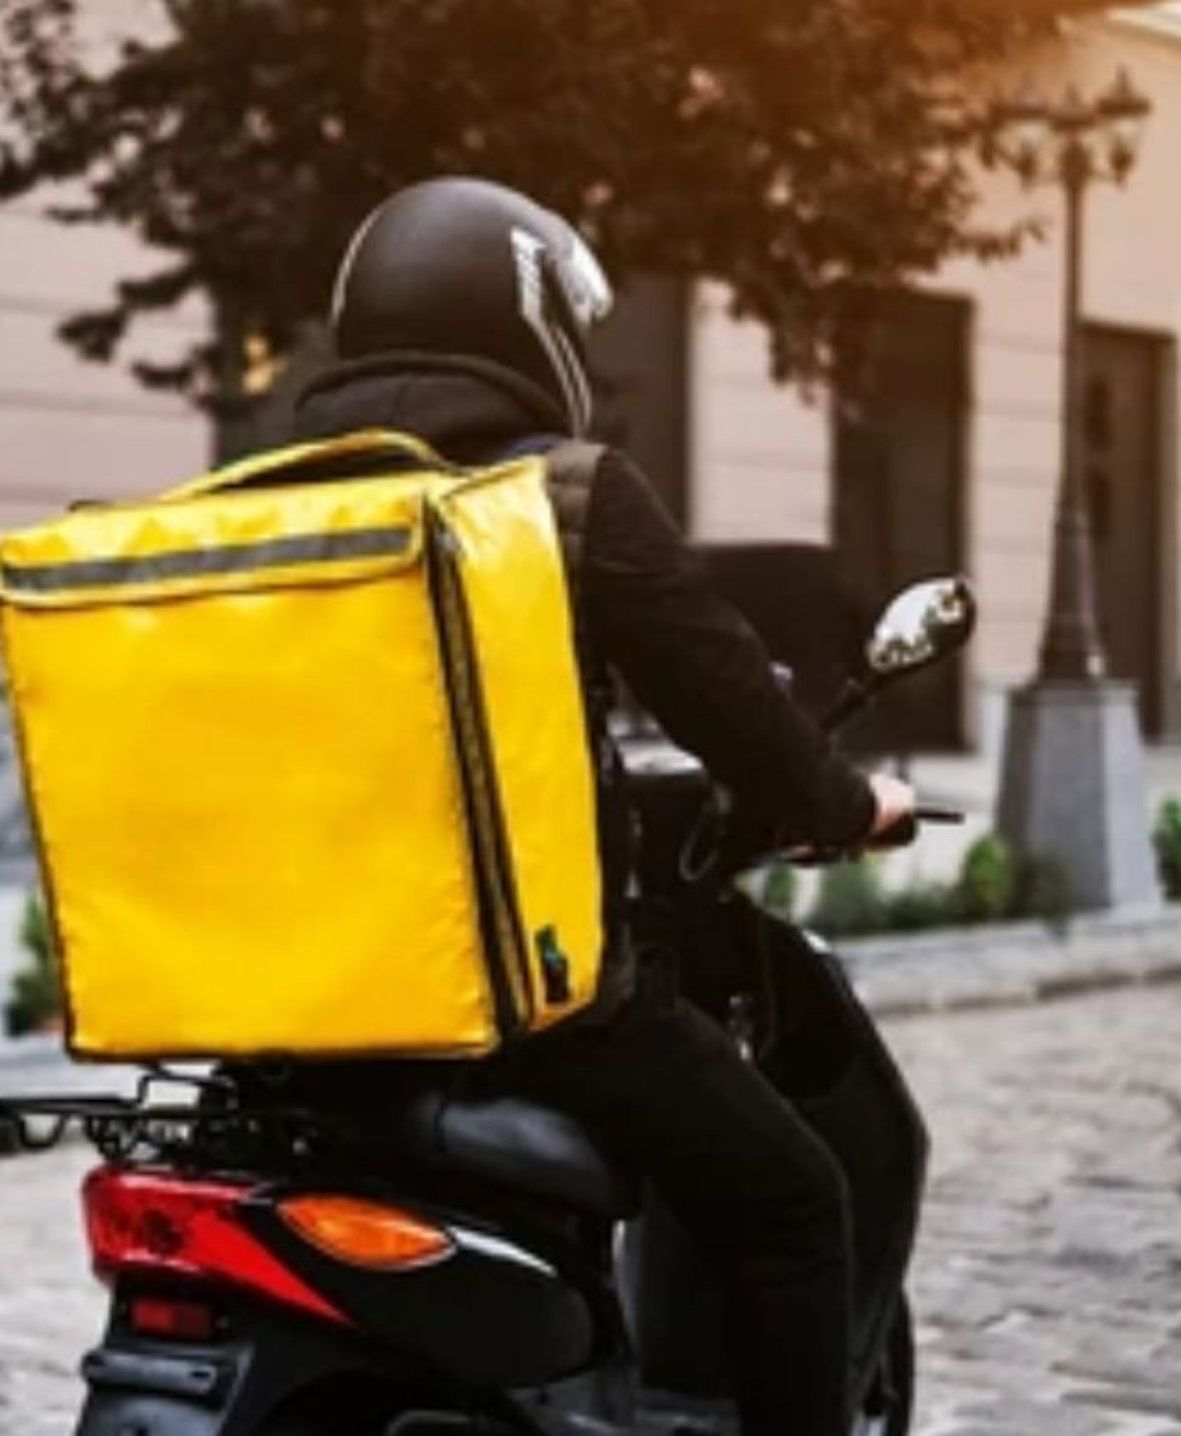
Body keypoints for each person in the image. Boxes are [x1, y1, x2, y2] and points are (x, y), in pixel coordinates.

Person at [292, 176, 916, 1436]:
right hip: (523, 1009)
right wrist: (852, 804)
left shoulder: (284, 504)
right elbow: (738, 709)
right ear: (525, 322)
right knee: (796, 1202)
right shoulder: (563, 497)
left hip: (294, 1002)